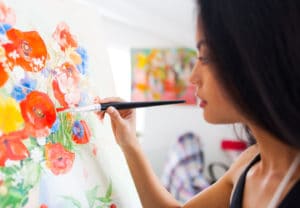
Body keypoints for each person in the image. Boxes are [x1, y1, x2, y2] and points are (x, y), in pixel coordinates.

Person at [95, 0, 300, 207]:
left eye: (206, 58)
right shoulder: (249, 163)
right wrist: (129, 143)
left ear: (253, 60)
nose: (193, 77)